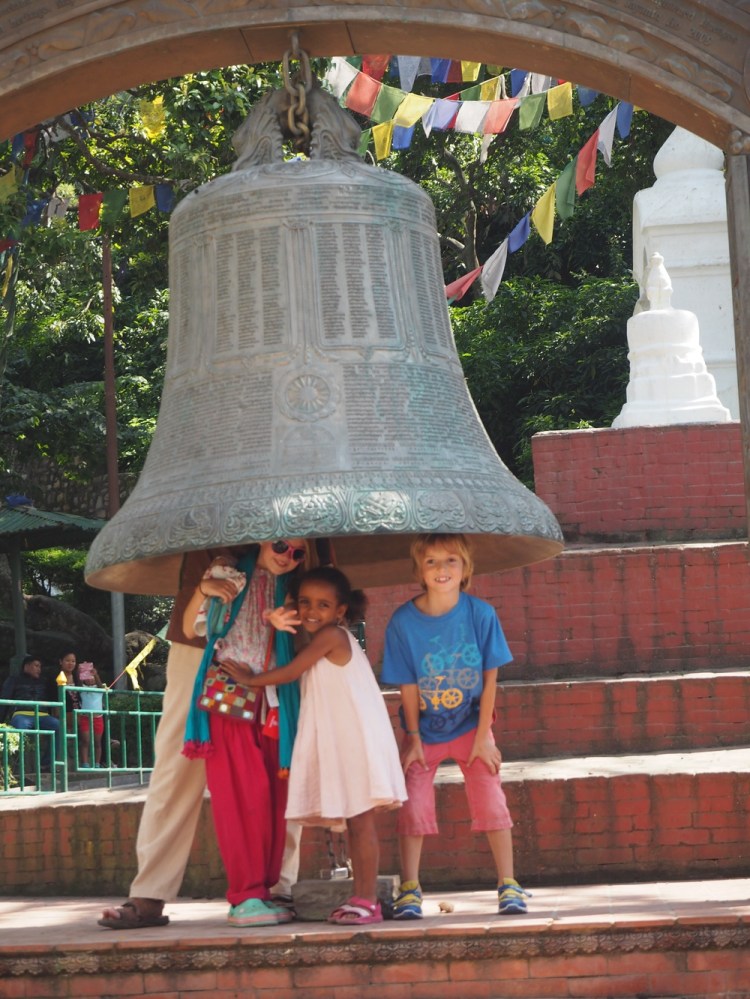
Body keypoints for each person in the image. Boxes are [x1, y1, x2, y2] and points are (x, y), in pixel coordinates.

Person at [98, 544, 304, 931]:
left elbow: (313, 557)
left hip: (280, 646)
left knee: (281, 762)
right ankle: (150, 892)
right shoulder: (205, 497)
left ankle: (277, 886)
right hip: (203, 639)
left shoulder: (299, 530)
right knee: (177, 765)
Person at [247, 566, 407, 925]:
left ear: (340, 611)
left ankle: (367, 901)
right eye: (304, 602)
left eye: (322, 604)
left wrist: (249, 679)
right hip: (348, 739)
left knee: (361, 822)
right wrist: (285, 608)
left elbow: (289, 672)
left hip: (356, 742)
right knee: (354, 822)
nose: (311, 611)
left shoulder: (332, 636)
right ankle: (362, 897)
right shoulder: (320, 637)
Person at [381, 532, 529, 919]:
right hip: (424, 730)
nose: (441, 569)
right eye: (431, 561)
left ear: (465, 568)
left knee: (491, 799)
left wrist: (483, 738)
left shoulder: (480, 614)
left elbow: (491, 680)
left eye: (451, 560)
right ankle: (410, 888)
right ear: (419, 570)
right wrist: (412, 739)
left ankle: (508, 883)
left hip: (471, 727)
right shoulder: (403, 622)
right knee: (412, 806)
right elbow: (407, 686)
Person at [178, 539, 309, 928]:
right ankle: (244, 896)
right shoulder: (227, 573)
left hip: (274, 703)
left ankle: (262, 892)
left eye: (297, 553)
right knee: (241, 797)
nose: (287, 556)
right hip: (229, 699)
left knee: (274, 799)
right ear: (262, 538)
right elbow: (191, 629)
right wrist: (203, 590)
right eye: (282, 545)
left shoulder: (298, 590)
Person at [0, 654, 61, 771]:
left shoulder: (45, 681)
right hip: (22, 714)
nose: (39, 669)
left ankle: (46, 764)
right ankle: (16, 765)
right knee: (20, 727)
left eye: (40, 667)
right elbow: (5, 699)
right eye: (36, 666)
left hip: (42, 715)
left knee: (57, 726)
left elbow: (55, 696)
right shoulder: (14, 679)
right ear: (26, 666)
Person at [76, 661, 105, 768]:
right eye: (87, 676)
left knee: (98, 742)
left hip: (98, 718)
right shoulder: (82, 689)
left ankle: (97, 763)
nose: (90, 678)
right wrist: (79, 673)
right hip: (85, 717)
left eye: (91, 676)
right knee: (85, 741)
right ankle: (85, 763)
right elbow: (79, 683)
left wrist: (96, 674)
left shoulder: (99, 689)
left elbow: (100, 685)